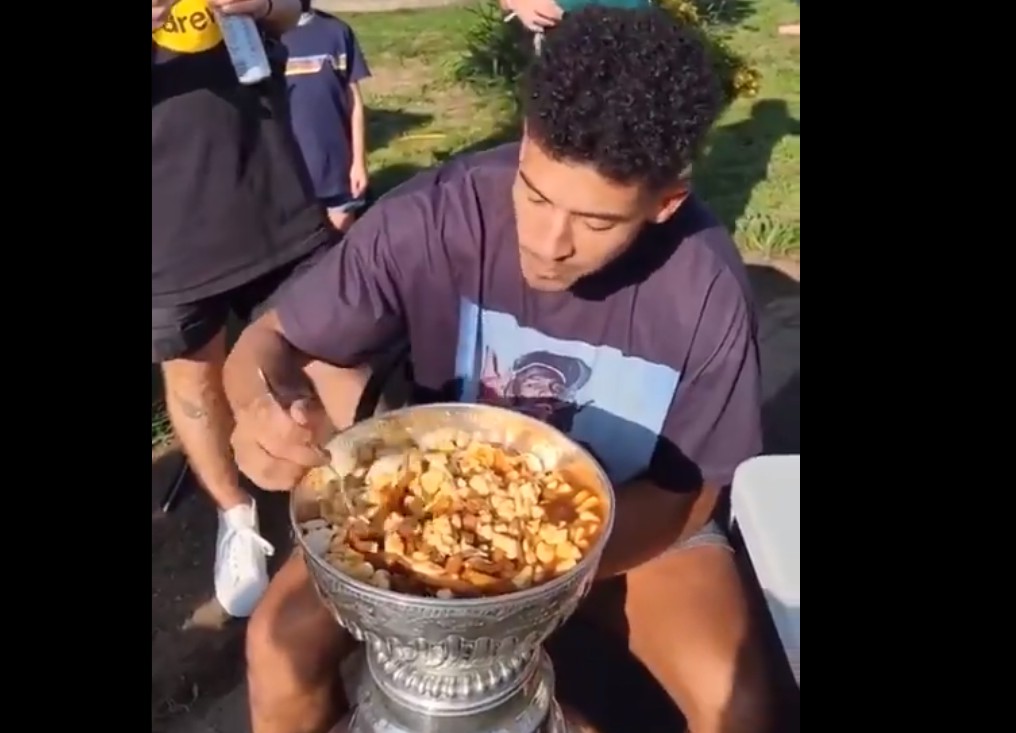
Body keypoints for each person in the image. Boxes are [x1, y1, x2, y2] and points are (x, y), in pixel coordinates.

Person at [225, 7, 780, 733]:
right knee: (276, 645)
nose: (549, 242)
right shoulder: (435, 217)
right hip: (433, 508)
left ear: (665, 203)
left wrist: (540, 581)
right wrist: (261, 406)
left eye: (598, 222)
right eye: (535, 192)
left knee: (737, 703)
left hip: (633, 522)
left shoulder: (704, 287)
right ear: (524, 142)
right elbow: (265, 343)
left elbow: (691, 495)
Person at [152, 0, 336, 618]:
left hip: (273, 190)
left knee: (317, 351)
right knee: (192, 372)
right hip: (167, 222)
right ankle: (237, 517)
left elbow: (293, 13)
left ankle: (335, 499)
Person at [280, 1, 371, 233]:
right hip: (287, 175)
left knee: (339, 250)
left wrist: (358, 163)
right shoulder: (259, 39)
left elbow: (355, 104)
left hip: (335, 168)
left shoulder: (336, 32)